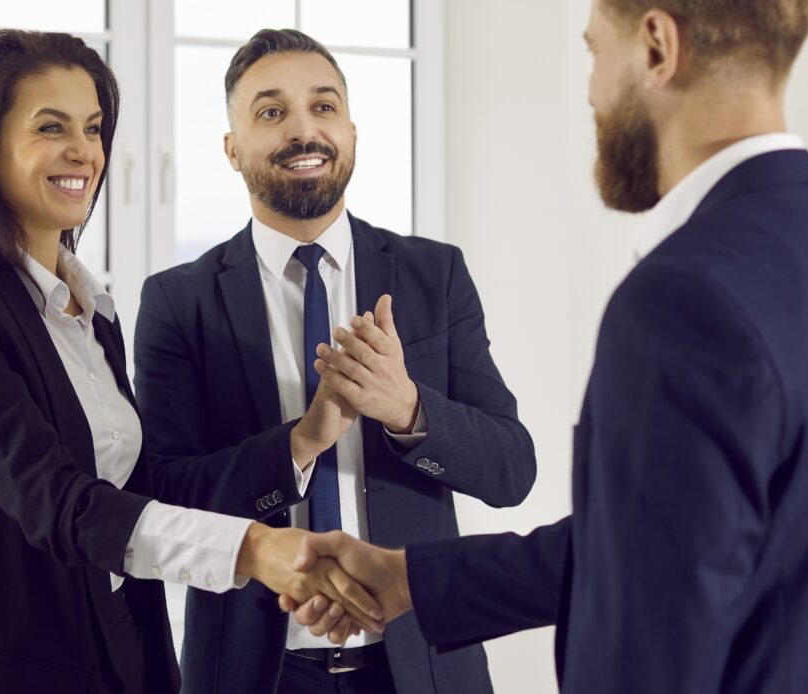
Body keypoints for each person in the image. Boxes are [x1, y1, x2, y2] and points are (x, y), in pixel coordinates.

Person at [281, 1, 808, 690]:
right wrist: (410, 579)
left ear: (656, 46)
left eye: (593, 52)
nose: (590, 90)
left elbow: (642, 649)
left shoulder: (679, 299)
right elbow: (659, 546)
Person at [0, 29, 378, 694]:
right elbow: (59, 503)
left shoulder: (93, 314)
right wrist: (255, 550)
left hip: (121, 666)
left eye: (93, 128)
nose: (82, 151)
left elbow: (143, 494)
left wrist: (304, 440)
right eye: (50, 127)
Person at [133, 29, 536, 694]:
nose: (303, 130)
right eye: (271, 112)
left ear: (350, 131)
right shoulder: (179, 301)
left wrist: (407, 409)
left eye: (323, 107)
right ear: (232, 150)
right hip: (254, 674)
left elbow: (512, 469)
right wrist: (301, 441)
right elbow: (167, 497)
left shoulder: (434, 274)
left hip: (424, 670)